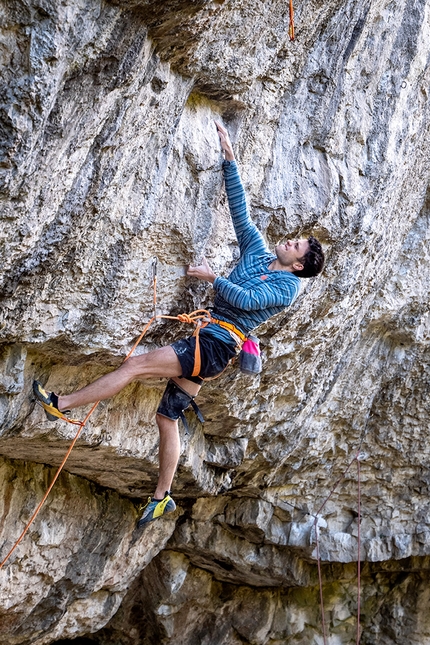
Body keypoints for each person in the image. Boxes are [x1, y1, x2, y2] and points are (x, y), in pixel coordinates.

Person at [33, 122, 325, 527]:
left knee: (134, 366)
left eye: (297, 246)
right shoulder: (259, 253)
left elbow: (246, 300)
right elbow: (240, 211)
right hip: (210, 343)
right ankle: (161, 496)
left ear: (298, 265)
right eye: (295, 240)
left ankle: (60, 406)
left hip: (216, 345)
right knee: (166, 416)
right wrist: (229, 159)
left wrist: (212, 278)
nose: (290, 241)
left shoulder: (286, 287)